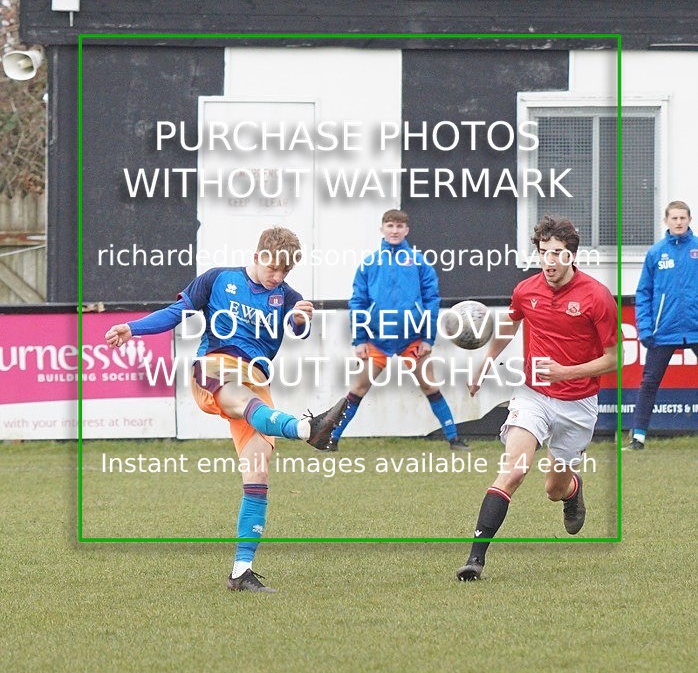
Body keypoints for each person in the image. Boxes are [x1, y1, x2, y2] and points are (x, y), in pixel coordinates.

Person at [105, 227, 345, 593]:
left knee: (258, 474)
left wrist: (299, 319)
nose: (278, 277)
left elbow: (300, 331)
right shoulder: (218, 279)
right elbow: (176, 313)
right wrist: (133, 329)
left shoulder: (288, 296)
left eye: (285, 272)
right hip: (215, 368)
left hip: (256, 380)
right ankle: (303, 429)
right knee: (236, 396)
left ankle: (241, 572)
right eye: (274, 268)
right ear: (259, 254)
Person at [456, 215, 618, 581]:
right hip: (534, 395)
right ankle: (474, 560)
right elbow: (508, 328)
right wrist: (485, 362)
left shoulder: (596, 297)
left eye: (557, 253)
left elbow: (614, 357)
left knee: (553, 489)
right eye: (544, 253)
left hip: (578, 404)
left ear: (572, 256)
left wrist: (566, 372)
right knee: (514, 468)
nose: (549, 261)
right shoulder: (526, 290)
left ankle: (572, 490)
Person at [322, 209, 467, 452]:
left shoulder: (419, 262)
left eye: (399, 226)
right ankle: (331, 438)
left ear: (406, 230)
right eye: (390, 225)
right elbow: (358, 301)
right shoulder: (369, 264)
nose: (395, 230)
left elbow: (432, 300)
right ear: (382, 229)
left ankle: (454, 439)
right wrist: (359, 339)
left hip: (413, 340)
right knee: (358, 388)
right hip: (378, 341)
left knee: (430, 386)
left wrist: (428, 338)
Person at [625, 201, 698, 450]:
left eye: (682, 217)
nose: (678, 222)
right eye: (674, 218)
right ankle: (638, 438)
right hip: (663, 331)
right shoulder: (655, 253)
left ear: (689, 220)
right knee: (649, 383)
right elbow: (643, 294)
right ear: (666, 221)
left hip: (696, 328)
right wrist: (645, 328)